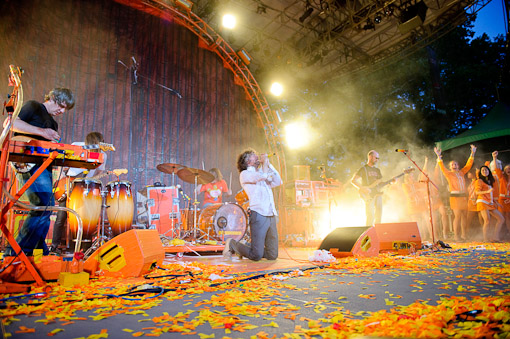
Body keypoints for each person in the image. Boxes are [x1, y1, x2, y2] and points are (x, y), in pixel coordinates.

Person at [6, 88, 75, 256]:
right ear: (52, 98)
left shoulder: (54, 123)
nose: (62, 111)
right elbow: (11, 123)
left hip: (44, 166)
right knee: (43, 206)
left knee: (45, 206)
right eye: (61, 106)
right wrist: (43, 132)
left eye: (65, 109)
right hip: (29, 163)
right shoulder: (33, 106)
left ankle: (38, 249)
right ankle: (18, 253)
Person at [50, 132, 107, 252]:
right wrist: (61, 180)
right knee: (61, 216)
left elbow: (98, 172)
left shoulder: (103, 154)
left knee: (84, 217)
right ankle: (54, 247)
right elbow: (63, 164)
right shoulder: (76, 146)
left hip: (84, 187)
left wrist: (94, 178)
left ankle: (81, 248)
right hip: (67, 184)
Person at [223, 149, 282, 261]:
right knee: (256, 256)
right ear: (247, 161)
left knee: (272, 254)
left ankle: (245, 246)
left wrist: (269, 165)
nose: (256, 156)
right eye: (252, 155)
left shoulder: (261, 172)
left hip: (271, 213)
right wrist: (264, 166)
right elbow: (261, 176)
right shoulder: (245, 174)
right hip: (258, 213)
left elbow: (278, 181)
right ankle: (232, 244)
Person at [434, 144, 476, 242]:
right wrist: (438, 157)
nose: (454, 165)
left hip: (463, 196)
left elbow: (468, 165)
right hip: (455, 197)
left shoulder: (461, 172)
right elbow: (442, 167)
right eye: (452, 164)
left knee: (464, 216)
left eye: (455, 164)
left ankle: (464, 235)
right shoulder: (448, 174)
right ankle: (456, 236)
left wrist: (472, 153)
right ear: (450, 167)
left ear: (458, 166)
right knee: (457, 216)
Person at [350, 150, 384, 226]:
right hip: (369, 194)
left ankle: (378, 232)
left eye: (378, 158)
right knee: (370, 215)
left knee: (379, 215)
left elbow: (380, 183)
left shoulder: (377, 170)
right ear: (370, 157)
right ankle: (368, 233)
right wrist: (363, 188)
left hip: (378, 194)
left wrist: (392, 181)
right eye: (376, 158)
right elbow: (353, 180)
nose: (377, 160)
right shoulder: (363, 169)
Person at [474, 165, 505, 242]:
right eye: (483, 170)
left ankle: (495, 237)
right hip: (482, 201)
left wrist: (497, 203)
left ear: (489, 171)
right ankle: (485, 239)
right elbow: (477, 192)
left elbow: (490, 195)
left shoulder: (490, 181)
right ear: (480, 173)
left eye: (486, 170)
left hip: (490, 203)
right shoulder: (479, 181)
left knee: (501, 219)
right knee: (487, 220)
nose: (485, 171)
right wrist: (487, 191)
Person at [490, 151, 510, 238]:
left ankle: (508, 233)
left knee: (508, 216)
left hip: (509, 200)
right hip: (502, 200)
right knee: (500, 217)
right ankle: (497, 234)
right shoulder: (501, 177)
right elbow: (497, 168)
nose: (508, 170)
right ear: (504, 170)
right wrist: (494, 158)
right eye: (507, 169)